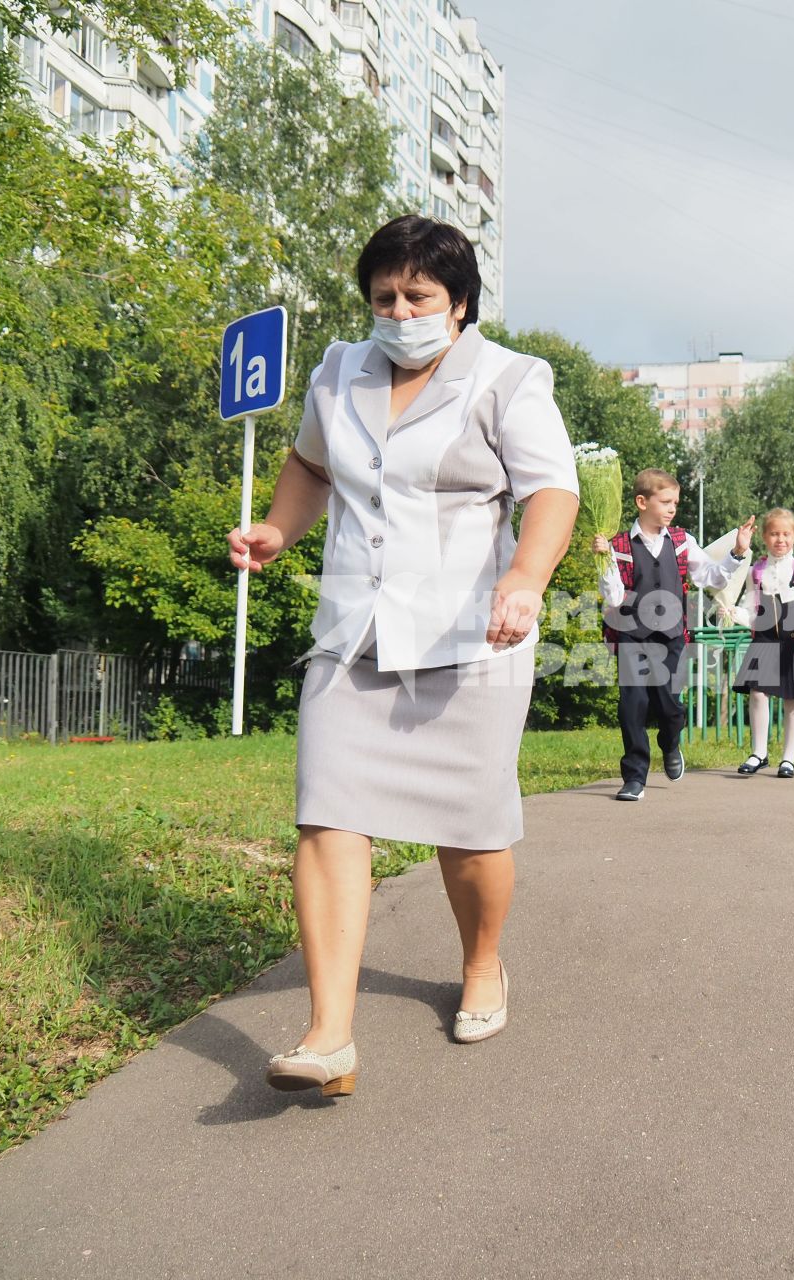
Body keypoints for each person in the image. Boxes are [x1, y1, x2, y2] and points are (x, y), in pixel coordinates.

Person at [226, 215, 579, 1091]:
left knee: (471, 832)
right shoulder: (339, 372)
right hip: (354, 631)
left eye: (417, 295)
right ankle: (327, 1037)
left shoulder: (509, 378)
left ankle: (483, 963)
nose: (398, 310)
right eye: (383, 295)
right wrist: (278, 527)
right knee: (327, 816)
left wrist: (526, 578)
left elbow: (550, 491)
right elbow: (310, 468)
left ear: (457, 302)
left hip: (472, 636)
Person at [595, 473, 752, 800]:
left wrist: (736, 553)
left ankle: (670, 743)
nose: (672, 509)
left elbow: (712, 578)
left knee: (670, 706)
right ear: (642, 502)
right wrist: (604, 561)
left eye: (675, 503)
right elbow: (612, 597)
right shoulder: (619, 546)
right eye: (665, 502)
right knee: (632, 706)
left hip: (670, 637)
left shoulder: (682, 541)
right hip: (632, 637)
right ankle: (635, 777)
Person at [724, 509, 794, 779]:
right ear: (764, 536)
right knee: (758, 694)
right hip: (764, 639)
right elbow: (751, 609)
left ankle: (788, 758)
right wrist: (734, 614)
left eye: (786, 533)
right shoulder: (756, 571)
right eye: (774, 533)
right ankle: (759, 753)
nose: (780, 539)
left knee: (792, 699)